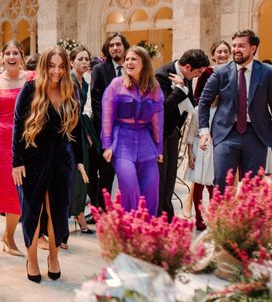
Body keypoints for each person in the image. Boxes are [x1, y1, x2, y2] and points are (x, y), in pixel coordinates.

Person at [13, 46, 87, 283]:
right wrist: (17, 161)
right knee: (33, 211)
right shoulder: (31, 89)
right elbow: (18, 127)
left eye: (61, 66)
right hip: (33, 159)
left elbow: (76, 129)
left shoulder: (70, 89)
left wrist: (80, 161)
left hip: (62, 160)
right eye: (52, 66)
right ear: (44, 66)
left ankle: (53, 257)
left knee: (57, 210)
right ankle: (32, 258)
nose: (56, 71)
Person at [199, 29, 272, 190]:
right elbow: (204, 101)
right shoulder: (220, 72)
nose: (235, 50)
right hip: (226, 133)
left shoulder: (267, 72)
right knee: (222, 185)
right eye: (234, 45)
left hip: (256, 134)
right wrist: (204, 131)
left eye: (241, 46)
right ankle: (219, 216)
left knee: (252, 189)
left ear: (253, 48)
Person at [0, 40, 34, 260]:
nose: (12, 57)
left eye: (16, 53)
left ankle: (9, 236)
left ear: (22, 56)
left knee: (18, 190)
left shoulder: (32, 79)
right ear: (1, 56)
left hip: (22, 140)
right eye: (8, 53)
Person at [101, 46, 164, 216]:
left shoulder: (154, 87)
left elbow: (157, 119)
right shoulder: (116, 84)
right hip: (122, 139)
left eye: (134, 59)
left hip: (145, 140)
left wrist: (159, 148)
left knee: (151, 185)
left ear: (144, 63)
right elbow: (107, 116)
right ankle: (130, 226)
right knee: (128, 184)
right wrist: (107, 145)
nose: (129, 62)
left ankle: (147, 229)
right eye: (127, 59)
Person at [155, 49, 209, 221]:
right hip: (159, 133)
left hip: (173, 132)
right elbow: (162, 107)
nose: (197, 77)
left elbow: (190, 102)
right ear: (188, 67)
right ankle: (160, 216)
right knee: (161, 177)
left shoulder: (186, 75)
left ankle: (168, 215)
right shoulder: (162, 76)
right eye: (198, 73)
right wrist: (180, 89)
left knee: (171, 176)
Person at [184, 41, 231, 230]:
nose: (222, 54)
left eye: (225, 51)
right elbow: (191, 132)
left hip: (217, 148)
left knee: (214, 185)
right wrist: (189, 154)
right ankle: (198, 217)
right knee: (199, 184)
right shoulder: (200, 110)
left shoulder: (223, 111)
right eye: (219, 51)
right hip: (199, 148)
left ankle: (215, 217)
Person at [89, 32, 129, 209]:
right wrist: (109, 127)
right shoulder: (100, 70)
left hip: (129, 129)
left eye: (118, 44)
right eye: (111, 45)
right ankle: (103, 211)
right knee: (106, 172)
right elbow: (97, 101)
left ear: (124, 47)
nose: (115, 48)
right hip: (106, 130)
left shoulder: (132, 67)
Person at [63, 46, 98, 247]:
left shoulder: (83, 81)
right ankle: (65, 220)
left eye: (87, 59)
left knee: (82, 175)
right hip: (67, 133)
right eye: (80, 59)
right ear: (72, 61)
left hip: (80, 131)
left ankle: (78, 214)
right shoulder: (68, 80)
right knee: (72, 175)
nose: (85, 62)